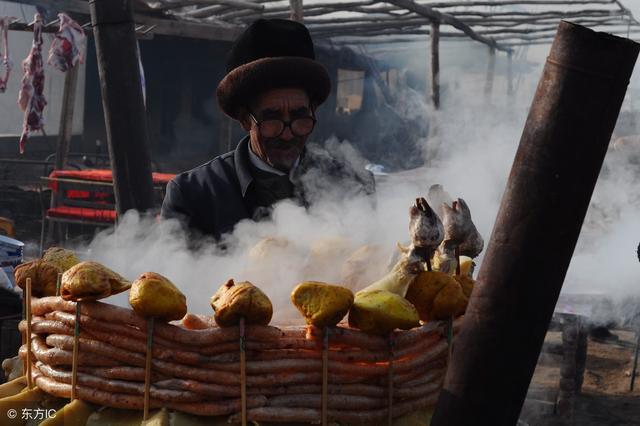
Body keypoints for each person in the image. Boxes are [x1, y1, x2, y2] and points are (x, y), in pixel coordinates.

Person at [161, 19, 374, 239]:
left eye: (299, 116)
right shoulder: (193, 195)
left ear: (313, 110)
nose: (288, 134)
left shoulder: (353, 184)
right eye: (272, 119)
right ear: (245, 119)